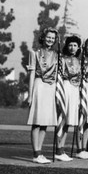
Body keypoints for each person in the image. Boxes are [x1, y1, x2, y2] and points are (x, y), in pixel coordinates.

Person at [26, 28, 59, 164]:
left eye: (52, 38)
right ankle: (36, 153)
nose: (50, 40)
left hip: (50, 87)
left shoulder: (56, 55)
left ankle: (39, 152)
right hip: (39, 85)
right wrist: (30, 94)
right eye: (48, 37)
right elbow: (32, 74)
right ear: (43, 38)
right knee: (37, 120)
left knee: (45, 121)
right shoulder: (35, 53)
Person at [54, 35, 82, 162]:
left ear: (78, 47)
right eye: (70, 45)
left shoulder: (78, 60)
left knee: (69, 120)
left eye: (75, 45)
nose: (72, 47)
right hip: (65, 87)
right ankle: (58, 149)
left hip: (74, 89)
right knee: (62, 118)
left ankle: (62, 148)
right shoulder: (62, 59)